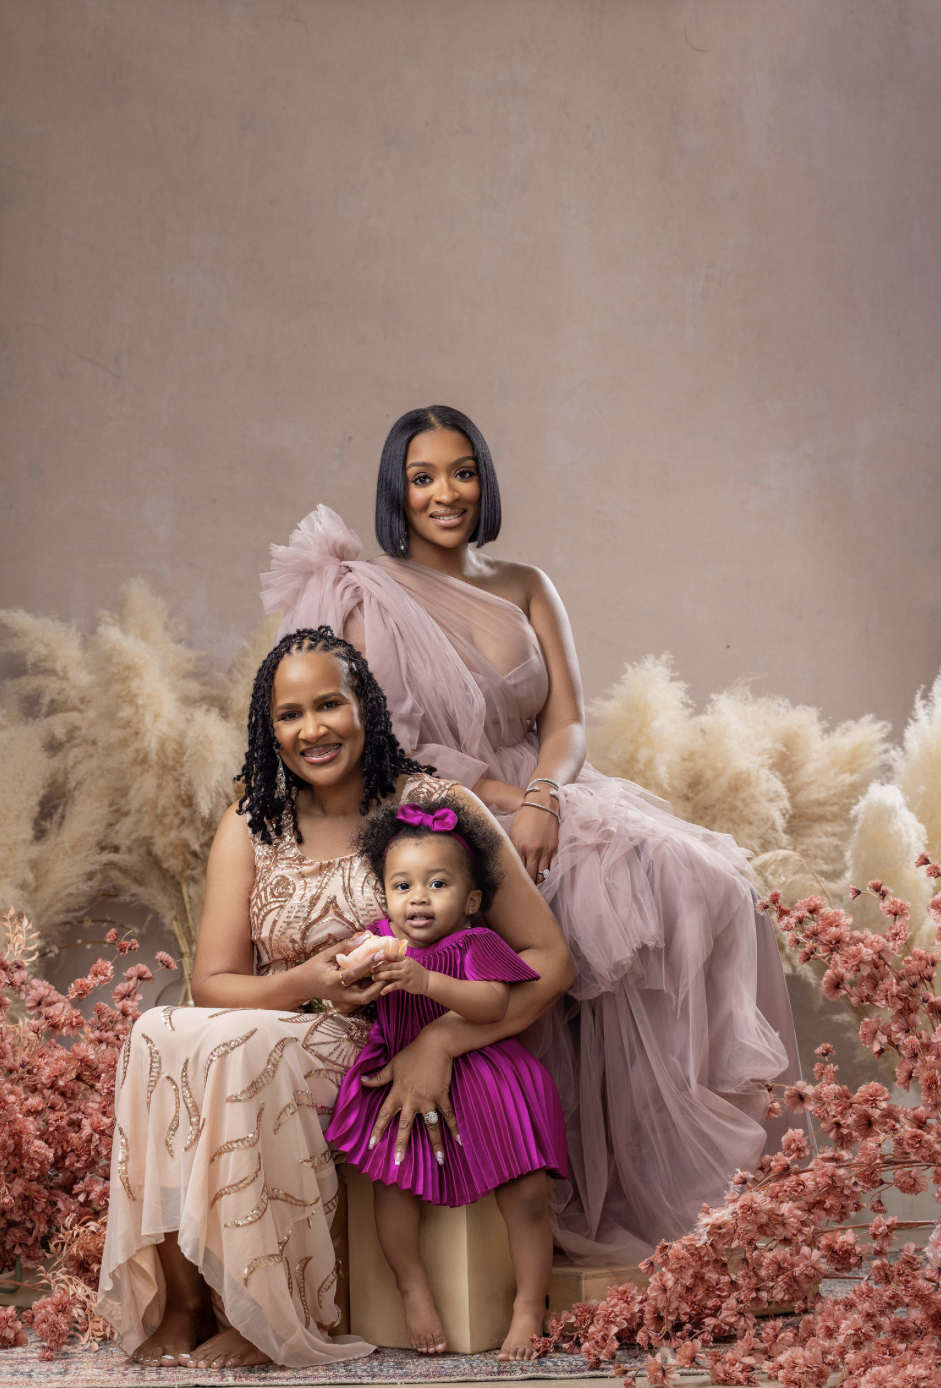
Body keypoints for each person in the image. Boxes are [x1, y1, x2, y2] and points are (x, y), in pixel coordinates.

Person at [261, 406, 803, 1267]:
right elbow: (390, 743)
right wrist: (505, 809)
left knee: (706, 885)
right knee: (595, 908)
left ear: (486, 480)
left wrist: (548, 795)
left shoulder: (525, 582)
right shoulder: (371, 597)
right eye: (425, 476)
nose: (448, 492)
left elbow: (569, 720)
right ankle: (580, 1187)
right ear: (398, 490)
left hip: (552, 787)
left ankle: (684, 1173)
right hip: (446, 799)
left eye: (464, 471)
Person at [96, 626, 574, 1369]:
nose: (312, 729)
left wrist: (440, 1040)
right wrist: (304, 983)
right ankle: (187, 1304)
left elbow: (551, 961)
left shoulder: (435, 809)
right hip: (284, 1015)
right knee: (157, 1030)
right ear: (271, 728)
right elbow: (213, 982)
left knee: (237, 1047)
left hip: (378, 1037)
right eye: (290, 715)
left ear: (366, 709)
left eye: (330, 705)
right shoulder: (254, 821)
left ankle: (270, 1314)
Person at [328, 799, 569, 1360]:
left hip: (486, 1071)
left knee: (528, 1192)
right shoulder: (379, 938)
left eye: (438, 884)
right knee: (390, 1182)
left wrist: (425, 980)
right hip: (398, 1070)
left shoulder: (476, 943)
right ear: (385, 896)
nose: (418, 897)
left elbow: (491, 1005)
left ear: (472, 900)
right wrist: (349, 977)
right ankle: (413, 1289)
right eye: (402, 885)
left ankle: (530, 1304)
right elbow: (342, 984)